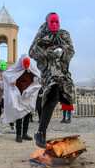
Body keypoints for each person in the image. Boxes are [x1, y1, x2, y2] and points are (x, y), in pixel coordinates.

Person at [29, 12, 75, 148]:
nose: (54, 25)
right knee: (53, 95)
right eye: (52, 22)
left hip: (62, 72)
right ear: (47, 22)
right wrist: (49, 53)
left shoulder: (64, 35)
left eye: (56, 22)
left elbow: (71, 51)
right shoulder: (42, 34)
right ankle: (41, 134)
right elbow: (32, 51)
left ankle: (40, 133)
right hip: (49, 73)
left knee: (64, 96)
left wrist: (60, 50)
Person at [3, 54, 42, 143]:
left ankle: (25, 133)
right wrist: (12, 80)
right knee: (19, 116)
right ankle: (18, 134)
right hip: (18, 95)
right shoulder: (17, 68)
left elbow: (38, 75)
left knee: (27, 115)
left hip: (28, 95)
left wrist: (39, 80)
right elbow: (7, 74)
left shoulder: (32, 69)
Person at [0, 60, 15, 136]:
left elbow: (11, 80)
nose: (3, 67)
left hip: (6, 95)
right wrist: (1, 84)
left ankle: (12, 127)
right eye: (1, 65)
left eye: (4, 65)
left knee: (8, 110)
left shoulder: (7, 73)